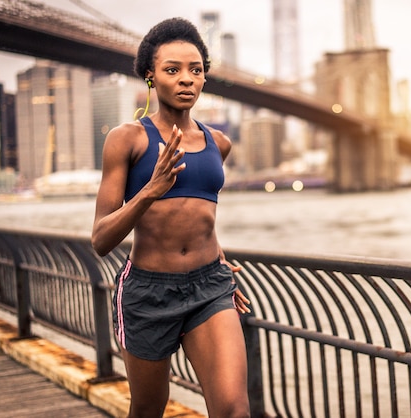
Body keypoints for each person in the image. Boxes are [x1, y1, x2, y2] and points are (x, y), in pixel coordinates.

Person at [91, 17, 251, 418]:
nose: (186, 80)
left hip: (210, 288)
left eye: (196, 70)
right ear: (151, 77)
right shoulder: (127, 139)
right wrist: (149, 191)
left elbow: (200, 217)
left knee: (233, 408)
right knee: (149, 408)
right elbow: (100, 239)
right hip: (148, 293)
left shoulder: (218, 143)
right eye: (172, 70)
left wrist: (218, 261)